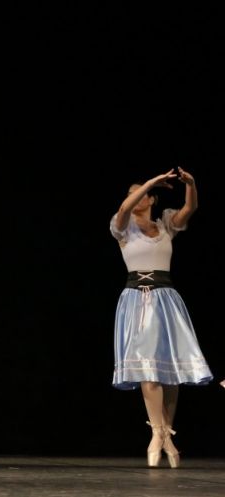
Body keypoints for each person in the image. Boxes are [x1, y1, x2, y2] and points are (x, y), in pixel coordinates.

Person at [110, 167, 212, 469]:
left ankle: (166, 434)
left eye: (141, 193)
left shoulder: (165, 224)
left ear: (152, 200)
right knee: (147, 365)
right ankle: (157, 433)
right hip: (137, 299)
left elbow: (189, 208)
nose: (134, 197)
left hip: (166, 298)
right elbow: (125, 208)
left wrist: (191, 184)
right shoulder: (122, 227)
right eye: (131, 193)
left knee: (170, 369)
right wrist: (152, 181)